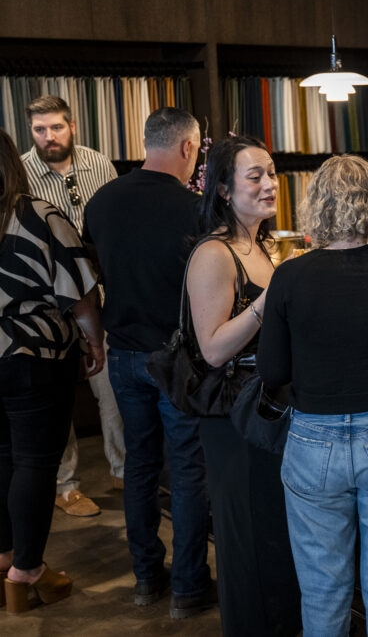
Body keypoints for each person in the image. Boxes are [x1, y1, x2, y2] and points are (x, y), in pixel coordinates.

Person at [258, 154, 368, 636]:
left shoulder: (289, 275)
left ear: (317, 206)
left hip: (313, 438)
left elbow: (271, 370)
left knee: (323, 592)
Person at [82, 108, 216, 618]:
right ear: (187, 148)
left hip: (124, 351)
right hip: (177, 355)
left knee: (139, 465)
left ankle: (145, 578)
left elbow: (92, 273)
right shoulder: (195, 209)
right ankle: (187, 587)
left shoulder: (102, 200)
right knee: (186, 469)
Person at [186, 135, 301, 635]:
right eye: (254, 176)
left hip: (266, 411)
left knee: (274, 532)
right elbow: (212, 348)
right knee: (246, 539)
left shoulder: (262, 246)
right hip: (233, 417)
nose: (269, 184)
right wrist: (271, 297)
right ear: (225, 190)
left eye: (271, 173)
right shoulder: (214, 253)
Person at [0, 128, 105, 611]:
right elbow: (79, 289)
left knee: (2, 457)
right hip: (34, 359)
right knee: (35, 462)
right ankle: (27, 571)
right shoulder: (37, 214)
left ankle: (3, 560)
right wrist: (94, 338)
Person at [21, 95, 126, 518]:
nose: (49, 137)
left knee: (111, 387)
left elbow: (117, 222)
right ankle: (66, 486)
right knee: (58, 393)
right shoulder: (23, 172)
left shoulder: (99, 164)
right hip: (50, 295)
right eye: (40, 130)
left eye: (56, 127)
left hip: (102, 288)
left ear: (73, 125)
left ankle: (123, 469)